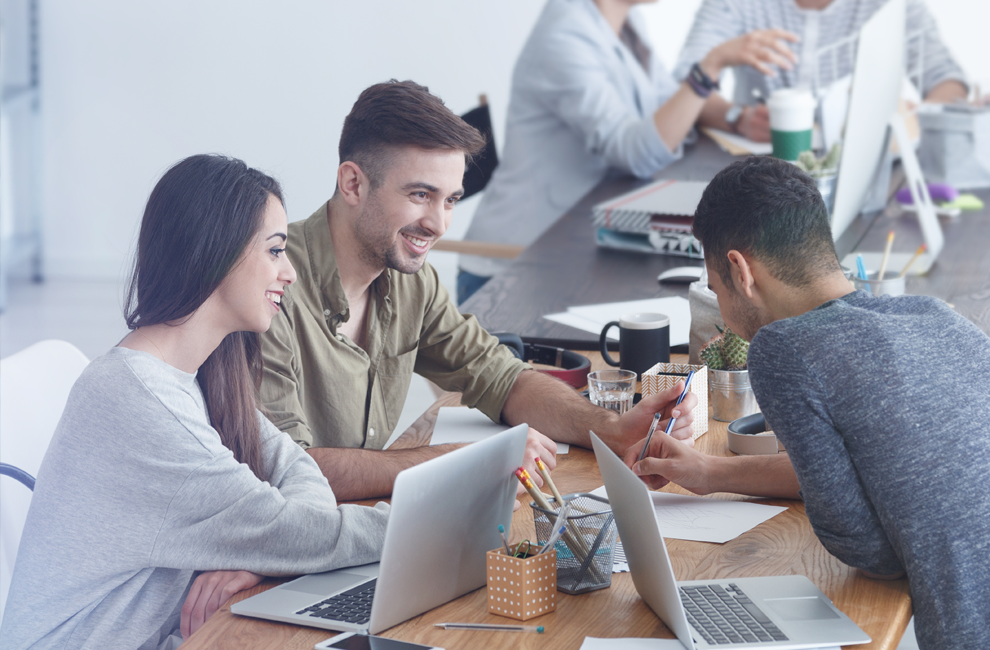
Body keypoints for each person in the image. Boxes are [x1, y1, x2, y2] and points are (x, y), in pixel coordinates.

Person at [626, 156, 990, 649]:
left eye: (716, 292)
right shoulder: (935, 317)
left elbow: (868, 552)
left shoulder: (785, 349)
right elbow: (879, 471)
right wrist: (710, 473)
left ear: (740, 271)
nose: (725, 318)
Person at [0, 155, 390, 650]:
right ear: (218, 253)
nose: (288, 272)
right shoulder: (138, 401)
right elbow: (297, 530)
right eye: (274, 250)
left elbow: (294, 468)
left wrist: (261, 549)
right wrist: (425, 525)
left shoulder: (199, 375)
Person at [259, 79, 696, 502]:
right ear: (353, 184)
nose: (439, 224)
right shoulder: (269, 286)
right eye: (420, 194)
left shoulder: (412, 280)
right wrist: (469, 462)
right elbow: (293, 470)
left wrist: (611, 428)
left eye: (450, 200)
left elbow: (502, 378)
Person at [457, 0, 801, 302]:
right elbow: (635, 151)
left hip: (581, 245)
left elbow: (669, 99)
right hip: (514, 273)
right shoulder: (562, 39)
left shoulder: (626, 23)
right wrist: (710, 66)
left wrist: (736, 117)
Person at [674, 0, 969, 113]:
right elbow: (683, 87)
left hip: (860, 170)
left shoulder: (892, 6)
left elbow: (948, 82)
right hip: (759, 173)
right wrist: (736, 117)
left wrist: (911, 117)